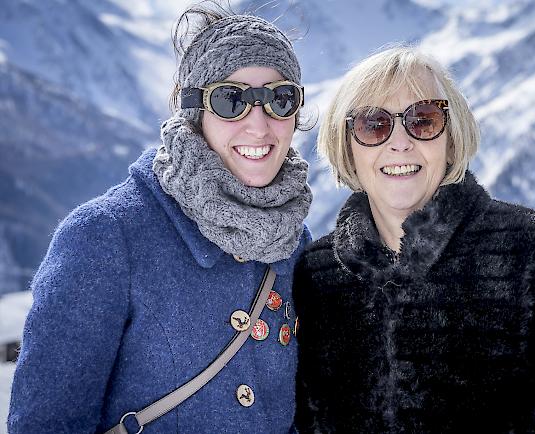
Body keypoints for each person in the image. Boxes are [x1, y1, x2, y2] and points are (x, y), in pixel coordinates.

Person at [293, 45, 535, 433]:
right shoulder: (318, 275)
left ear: (451, 138)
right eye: (372, 125)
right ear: (347, 146)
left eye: (423, 120)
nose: (399, 142)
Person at [8, 3, 312, 434]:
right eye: (231, 100)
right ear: (193, 113)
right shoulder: (106, 237)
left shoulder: (293, 242)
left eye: (279, 99)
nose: (259, 126)